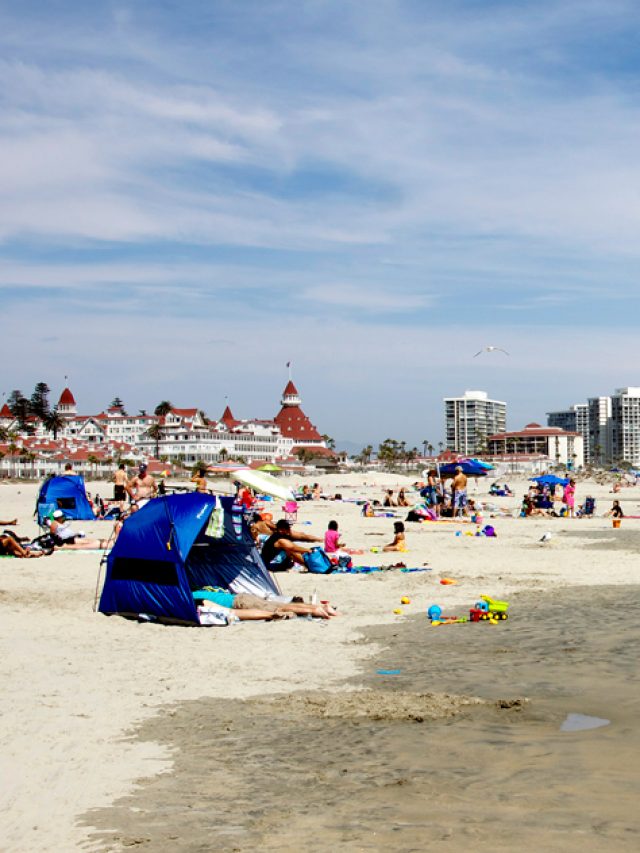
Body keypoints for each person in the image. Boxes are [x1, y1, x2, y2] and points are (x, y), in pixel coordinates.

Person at [196, 589, 339, 621]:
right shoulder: (196, 592)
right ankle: (315, 608)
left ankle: (316, 610)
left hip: (240, 602)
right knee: (280, 605)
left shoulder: (194, 598)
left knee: (280, 608)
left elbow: (223, 610)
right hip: (241, 597)